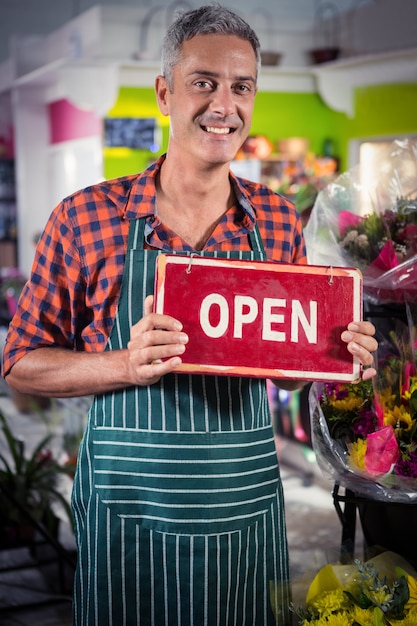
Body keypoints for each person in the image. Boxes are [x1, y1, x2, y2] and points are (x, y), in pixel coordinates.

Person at [1, 4, 377, 625]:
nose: (223, 104)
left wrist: (332, 356)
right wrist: (125, 364)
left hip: (243, 513)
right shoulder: (84, 218)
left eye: (241, 86)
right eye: (203, 82)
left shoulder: (279, 220)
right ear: (164, 93)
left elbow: (282, 373)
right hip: (131, 516)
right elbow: (19, 363)